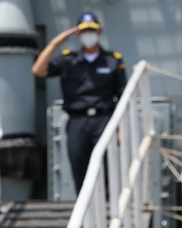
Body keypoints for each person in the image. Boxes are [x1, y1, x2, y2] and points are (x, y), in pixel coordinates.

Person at [31, 11, 126, 194]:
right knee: (78, 164)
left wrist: (120, 128)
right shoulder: (68, 59)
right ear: (77, 34)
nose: (88, 34)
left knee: (107, 166)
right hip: (77, 121)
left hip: (104, 120)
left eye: (92, 30)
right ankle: (84, 212)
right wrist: (54, 43)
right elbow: (38, 70)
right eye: (84, 31)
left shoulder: (112, 60)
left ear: (99, 32)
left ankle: (106, 210)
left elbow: (122, 95)